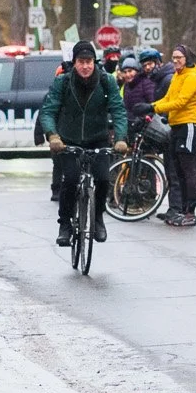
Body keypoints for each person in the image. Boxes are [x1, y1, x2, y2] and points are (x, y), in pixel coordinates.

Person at [38, 40, 129, 246]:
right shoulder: (63, 82)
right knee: (70, 180)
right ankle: (65, 224)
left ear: (94, 62)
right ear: (75, 62)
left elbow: (118, 110)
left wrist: (121, 138)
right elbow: (48, 111)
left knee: (103, 179)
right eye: (81, 62)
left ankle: (98, 218)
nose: (85, 66)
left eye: (89, 62)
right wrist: (53, 135)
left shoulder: (106, 81)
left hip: (98, 138)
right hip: (68, 140)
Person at [152, 44, 196, 227]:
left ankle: (190, 212)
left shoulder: (192, 77)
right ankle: (181, 210)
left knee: (188, 170)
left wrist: (153, 108)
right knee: (178, 171)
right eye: (173, 57)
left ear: (187, 58)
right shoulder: (177, 75)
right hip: (175, 126)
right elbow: (168, 98)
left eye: (179, 58)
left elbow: (180, 102)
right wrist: (152, 106)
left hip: (188, 125)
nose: (175, 61)